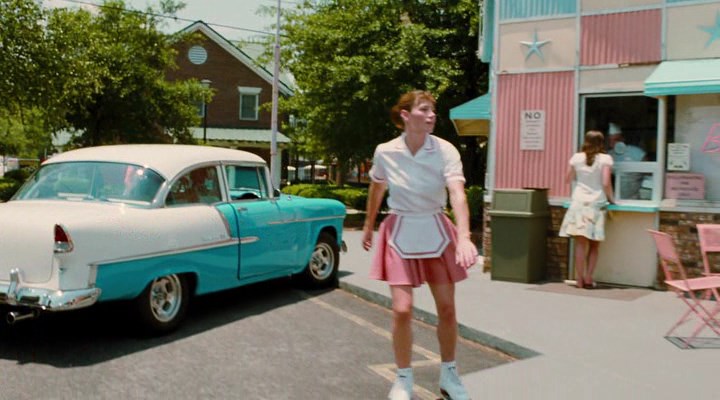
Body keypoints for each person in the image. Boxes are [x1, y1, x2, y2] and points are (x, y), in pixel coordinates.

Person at [362, 90, 477, 400]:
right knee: (402, 309)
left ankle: (450, 375)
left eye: (433, 111)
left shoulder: (446, 150)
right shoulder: (385, 151)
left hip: (436, 228)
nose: (431, 116)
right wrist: (369, 225)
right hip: (400, 229)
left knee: (447, 308)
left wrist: (464, 236)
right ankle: (403, 379)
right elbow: (377, 188)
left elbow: (457, 194)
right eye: (424, 110)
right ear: (405, 115)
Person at [559, 130, 615, 289]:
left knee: (580, 244)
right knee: (594, 245)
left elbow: (567, 179)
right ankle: (589, 277)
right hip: (596, 204)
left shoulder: (576, 157)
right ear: (601, 143)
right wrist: (612, 198)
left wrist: (581, 178)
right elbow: (605, 182)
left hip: (578, 202)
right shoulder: (605, 159)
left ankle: (579, 279)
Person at [607, 122, 647, 199]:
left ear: (622, 139)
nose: (613, 143)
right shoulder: (608, 156)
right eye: (610, 140)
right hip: (615, 199)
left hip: (635, 199)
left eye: (616, 140)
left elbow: (649, 175)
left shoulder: (637, 152)